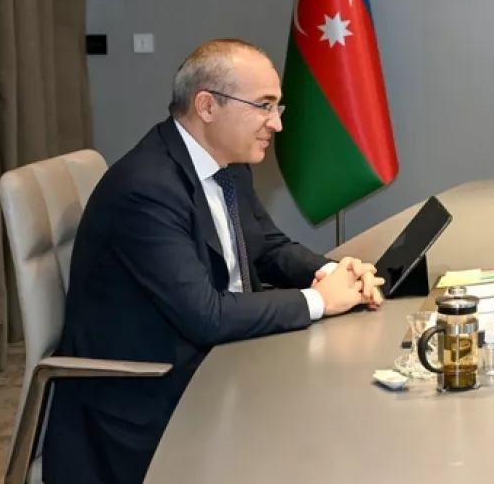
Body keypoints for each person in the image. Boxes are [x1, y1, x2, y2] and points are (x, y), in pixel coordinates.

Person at [44, 39, 386, 484]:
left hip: (217, 361)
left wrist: (332, 273)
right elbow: (204, 315)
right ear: (207, 106)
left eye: (278, 107)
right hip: (146, 401)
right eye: (264, 106)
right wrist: (319, 301)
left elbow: (268, 247)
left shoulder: (228, 164)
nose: (277, 123)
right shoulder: (146, 188)